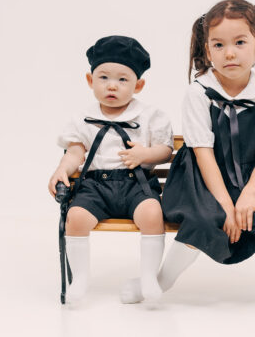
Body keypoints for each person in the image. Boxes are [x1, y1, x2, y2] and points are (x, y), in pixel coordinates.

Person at [121, 0, 255, 305]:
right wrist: (226, 204)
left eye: (239, 42)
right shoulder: (199, 93)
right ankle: (162, 280)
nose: (229, 53)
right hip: (203, 179)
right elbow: (203, 154)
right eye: (219, 45)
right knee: (205, 220)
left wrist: (248, 196)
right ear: (208, 52)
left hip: (253, 178)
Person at [48, 35, 173, 305]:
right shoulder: (82, 119)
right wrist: (62, 169)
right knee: (76, 217)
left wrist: (145, 154)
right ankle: (81, 278)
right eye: (103, 77)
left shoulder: (150, 116)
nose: (112, 85)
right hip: (95, 187)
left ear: (138, 85)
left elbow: (165, 150)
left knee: (152, 213)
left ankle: (149, 277)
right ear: (90, 80)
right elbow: (75, 152)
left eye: (122, 79)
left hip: (137, 184)